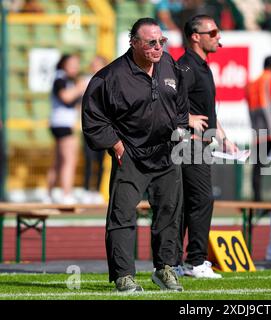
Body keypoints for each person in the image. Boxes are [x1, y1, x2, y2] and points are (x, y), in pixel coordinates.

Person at [82, 18, 188, 292]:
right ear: (134, 43)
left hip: (166, 153)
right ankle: (123, 276)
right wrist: (116, 145)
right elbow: (94, 117)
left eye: (161, 41)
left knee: (169, 213)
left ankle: (165, 268)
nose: (158, 47)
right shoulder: (110, 76)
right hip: (130, 155)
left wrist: (180, 128)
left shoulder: (169, 65)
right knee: (122, 214)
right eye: (151, 42)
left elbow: (181, 105)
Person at [176, 14, 239, 278]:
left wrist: (223, 137)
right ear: (195, 36)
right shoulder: (187, 66)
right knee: (201, 200)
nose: (218, 37)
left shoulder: (202, 66)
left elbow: (207, 109)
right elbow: (169, 100)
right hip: (188, 144)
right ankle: (196, 261)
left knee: (187, 203)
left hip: (201, 143)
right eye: (212, 33)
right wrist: (187, 119)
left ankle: (174, 262)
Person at [47, 54, 87, 204]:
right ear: (64, 64)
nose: (75, 68)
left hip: (60, 123)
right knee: (69, 160)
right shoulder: (60, 78)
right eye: (72, 64)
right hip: (62, 124)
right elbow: (65, 97)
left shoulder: (65, 79)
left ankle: (49, 194)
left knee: (58, 161)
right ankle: (66, 194)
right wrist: (79, 88)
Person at [246, 55, 271, 202]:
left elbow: (251, 110)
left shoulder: (252, 83)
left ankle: (256, 200)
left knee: (257, 168)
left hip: (258, 133)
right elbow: (267, 105)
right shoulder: (270, 78)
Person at [82, 56, 108, 204]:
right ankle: (86, 189)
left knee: (100, 160)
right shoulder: (86, 81)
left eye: (97, 64)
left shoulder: (108, 80)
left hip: (103, 127)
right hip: (88, 127)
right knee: (89, 159)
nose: (94, 67)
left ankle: (96, 190)